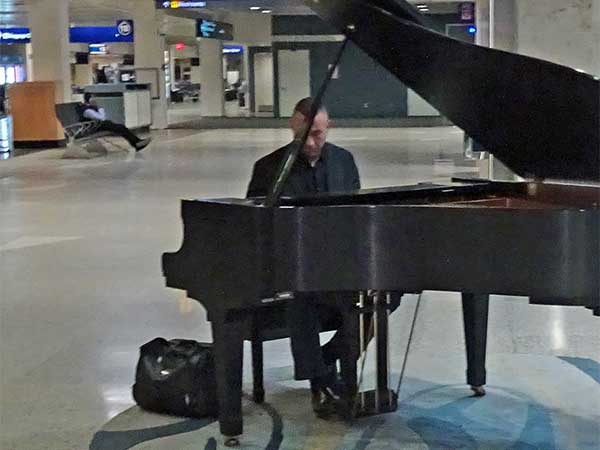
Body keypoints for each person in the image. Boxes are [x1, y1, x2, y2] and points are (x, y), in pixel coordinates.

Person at [247, 97, 361, 418]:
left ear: (329, 128)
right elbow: (256, 227)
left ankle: (326, 357)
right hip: (291, 265)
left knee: (387, 294)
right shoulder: (268, 168)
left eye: (319, 135)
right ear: (292, 126)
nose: (311, 143)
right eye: (304, 135)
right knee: (303, 294)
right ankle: (320, 381)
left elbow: (355, 215)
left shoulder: (344, 161)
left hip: (338, 263)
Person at [79, 93, 151, 152]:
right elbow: (102, 118)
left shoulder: (89, 108)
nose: (95, 100)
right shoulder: (87, 110)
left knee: (121, 127)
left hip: (97, 125)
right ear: (90, 100)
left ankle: (137, 143)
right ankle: (136, 144)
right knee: (120, 128)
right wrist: (99, 108)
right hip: (93, 127)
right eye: (93, 98)